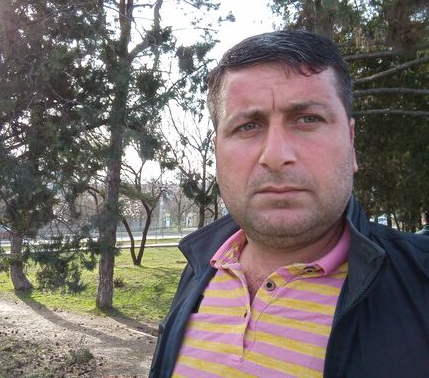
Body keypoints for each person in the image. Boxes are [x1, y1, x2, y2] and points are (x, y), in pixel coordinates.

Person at [149, 30, 429, 378]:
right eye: (248, 126)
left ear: (351, 141)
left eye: (308, 119)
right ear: (217, 151)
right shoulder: (200, 268)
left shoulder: (420, 284)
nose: (276, 155)